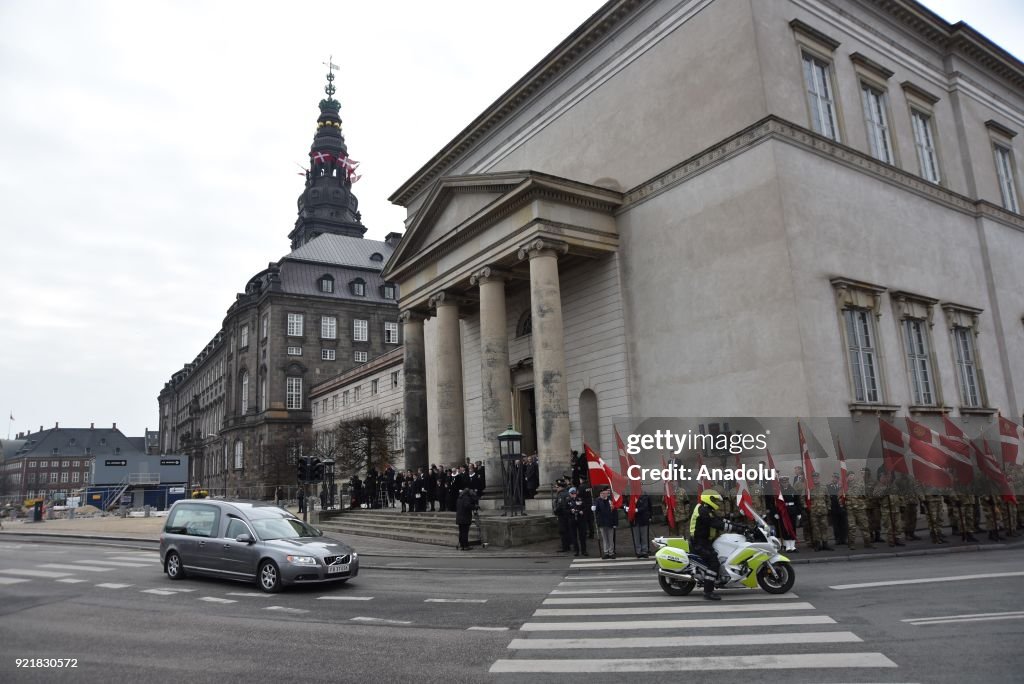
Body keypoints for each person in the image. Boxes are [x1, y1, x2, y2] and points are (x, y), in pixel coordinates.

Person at [689, 490, 740, 601]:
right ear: (710, 499)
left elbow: (721, 520)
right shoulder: (704, 511)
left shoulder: (707, 509)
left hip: (705, 541)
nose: (717, 503)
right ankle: (708, 591)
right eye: (715, 500)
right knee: (714, 563)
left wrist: (741, 526)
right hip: (699, 542)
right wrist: (737, 529)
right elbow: (717, 524)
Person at [593, 487, 618, 559]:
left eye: (604, 493)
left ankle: (611, 552)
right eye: (602, 493)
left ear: (607, 493)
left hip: (610, 522)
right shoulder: (597, 501)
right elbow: (597, 512)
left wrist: (615, 523)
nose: (603, 494)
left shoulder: (611, 501)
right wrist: (594, 508)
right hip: (602, 522)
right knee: (605, 538)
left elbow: (614, 513)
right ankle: (606, 552)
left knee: (610, 538)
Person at [628, 490, 652, 558]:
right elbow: (625, 504)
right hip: (634, 519)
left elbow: (647, 506)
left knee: (644, 536)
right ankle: (638, 551)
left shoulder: (645, 496)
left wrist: (637, 510)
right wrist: (626, 508)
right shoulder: (630, 495)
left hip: (643, 518)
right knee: (636, 537)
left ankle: (644, 551)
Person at [566, 487, 589, 556]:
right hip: (572, 520)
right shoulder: (568, 500)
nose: (573, 495)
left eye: (574, 493)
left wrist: (582, 511)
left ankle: (584, 550)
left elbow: (585, 508)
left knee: (582, 536)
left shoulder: (580, 499)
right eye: (572, 494)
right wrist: (570, 511)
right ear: (569, 494)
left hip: (580, 519)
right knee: (574, 536)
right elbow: (565, 509)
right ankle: (576, 550)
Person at [553, 480, 572, 552]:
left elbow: (560, 505)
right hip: (567, 515)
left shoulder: (561, 494)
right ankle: (568, 545)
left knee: (563, 531)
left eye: (557, 487)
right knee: (567, 530)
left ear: (561, 487)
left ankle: (565, 547)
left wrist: (555, 511)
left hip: (562, 515)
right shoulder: (567, 493)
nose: (556, 489)